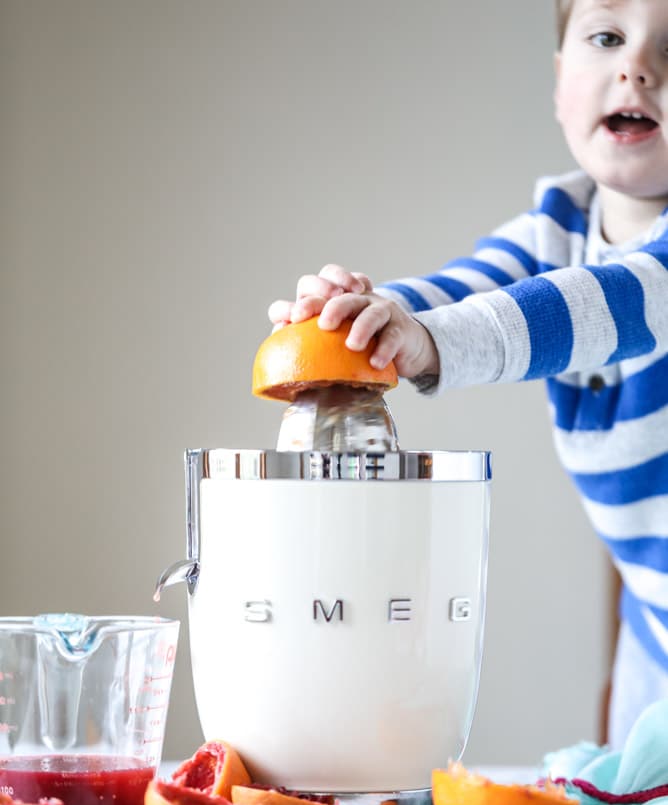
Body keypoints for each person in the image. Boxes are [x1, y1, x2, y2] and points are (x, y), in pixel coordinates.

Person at [268, 0, 668, 750]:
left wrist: (430, 341)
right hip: (651, 628)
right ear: (559, 83)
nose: (638, 66)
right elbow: (471, 286)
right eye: (608, 37)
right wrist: (364, 313)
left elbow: (591, 307)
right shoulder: (561, 220)